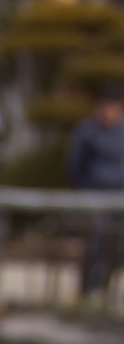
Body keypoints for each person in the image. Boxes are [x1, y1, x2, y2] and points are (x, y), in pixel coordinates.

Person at [68, 83, 124, 300]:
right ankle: (86, 290)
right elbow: (75, 165)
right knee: (95, 243)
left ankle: (104, 288)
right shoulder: (88, 131)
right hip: (94, 197)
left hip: (120, 198)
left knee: (117, 246)